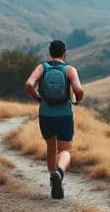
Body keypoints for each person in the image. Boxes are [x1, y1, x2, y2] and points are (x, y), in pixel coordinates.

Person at [24, 39, 85, 199]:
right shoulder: (70, 70)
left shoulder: (42, 67)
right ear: (65, 54)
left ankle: (53, 178)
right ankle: (59, 172)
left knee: (51, 147)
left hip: (45, 115)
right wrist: (77, 100)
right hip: (64, 115)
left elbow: (29, 84)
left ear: (50, 53)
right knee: (65, 150)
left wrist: (39, 98)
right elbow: (79, 89)